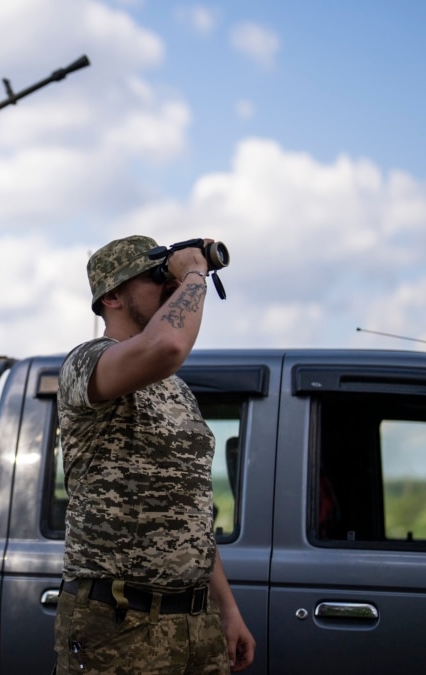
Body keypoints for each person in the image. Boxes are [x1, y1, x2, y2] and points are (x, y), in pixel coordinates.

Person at [54, 234, 255, 673]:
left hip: (194, 623)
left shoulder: (177, 391)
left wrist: (227, 610)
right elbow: (167, 345)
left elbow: (191, 516)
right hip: (119, 624)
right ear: (112, 296)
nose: (170, 287)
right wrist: (194, 274)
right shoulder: (85, 364)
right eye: (156, 279)